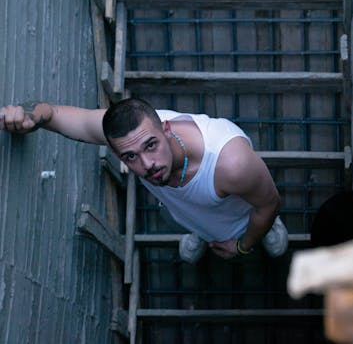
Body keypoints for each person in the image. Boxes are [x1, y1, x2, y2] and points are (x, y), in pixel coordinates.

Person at [0, 98, 289, 261]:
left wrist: (243, 246)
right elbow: (54, 114)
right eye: (130, 157)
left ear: (165, 128)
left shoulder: (231, 164)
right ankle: (202, 232)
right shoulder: (129, 137)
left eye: (151, 145)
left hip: (242, 215)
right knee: (188, 216)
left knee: (262, 218)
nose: (147, 165)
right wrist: (28, 117)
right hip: (188, 209)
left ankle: (263, 234)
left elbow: (269, 203)